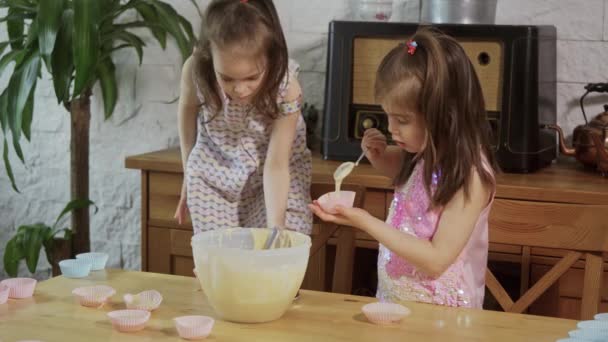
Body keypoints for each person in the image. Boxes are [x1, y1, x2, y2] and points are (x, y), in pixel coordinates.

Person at [310, 27, 498, 308]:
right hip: (400, 307)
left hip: (445, 320)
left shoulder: (470, 176)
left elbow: (436, 260)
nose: (390, 128)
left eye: (402, 119)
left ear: (443, 115)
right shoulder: (424, 152)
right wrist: (379, 157)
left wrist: (364, 221)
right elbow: (410, 177)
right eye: (387, 116)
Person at [174, 0, 312, 235]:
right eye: (227, 78)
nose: (239, 89)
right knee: (220, 257)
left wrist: (276, 226)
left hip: (273, 174)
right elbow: (186, 111)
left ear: (271, 59)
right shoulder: (196, 70)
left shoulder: (287, 89)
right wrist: (189, 172)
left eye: (251, 78)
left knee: (278, 244)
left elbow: (277, 165)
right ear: (210, 57)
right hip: (214, 170)